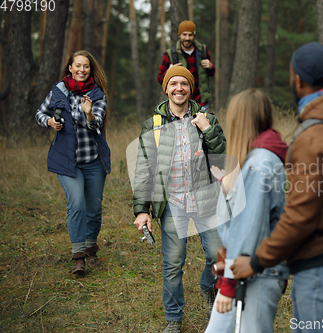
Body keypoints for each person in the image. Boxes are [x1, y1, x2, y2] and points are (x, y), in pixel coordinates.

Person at [231, 42, 323, 333]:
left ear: (298, 79)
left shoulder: (315, 136)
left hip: (322, 264)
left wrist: (258, 261)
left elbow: (301, 214)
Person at [133, 65, 225, 333]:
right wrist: (142, 210)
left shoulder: (206, 117)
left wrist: (207, 129)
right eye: (173, 83)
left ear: (191, 88)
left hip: (206, 199)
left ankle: (209, 288)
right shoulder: (154, 125)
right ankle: (174, 318)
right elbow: (144, 169)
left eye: (184, 83)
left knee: (217, 257)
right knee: (173, 263)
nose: (179, 88)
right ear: (166, 89)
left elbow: (221, 156)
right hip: (172, 204)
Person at [204, 89, 289, 333]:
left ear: (238, 120)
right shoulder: (256, 160)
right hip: (247, 272)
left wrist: (228, 286)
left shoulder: (259, 164)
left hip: (253, 275)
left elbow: (247, 229)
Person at [35, 50, 111, 275]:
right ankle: (79, 257)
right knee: (76, 203)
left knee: (94, 208)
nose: (81, 70)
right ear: (70, 67)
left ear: (90, 69)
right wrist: (49, 121)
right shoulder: (58, 90)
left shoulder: (97, 94)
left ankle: (90, 249)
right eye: (77, 65)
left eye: (86, 66)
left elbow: (96, 126)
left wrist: (88, 114)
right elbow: (40, 113)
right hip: (67, 161)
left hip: (93, 160)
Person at [157, 20, 214, 110]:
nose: (187, 38)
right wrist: (168, 72)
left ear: (194, 36)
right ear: (179, 35)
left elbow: (211, 74)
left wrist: (210, 66)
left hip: (201, 102)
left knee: (203, 124)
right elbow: (160, 79)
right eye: (184, 34)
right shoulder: (170, 54)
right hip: (180, 103)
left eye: (190, 35)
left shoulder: (202, 50)